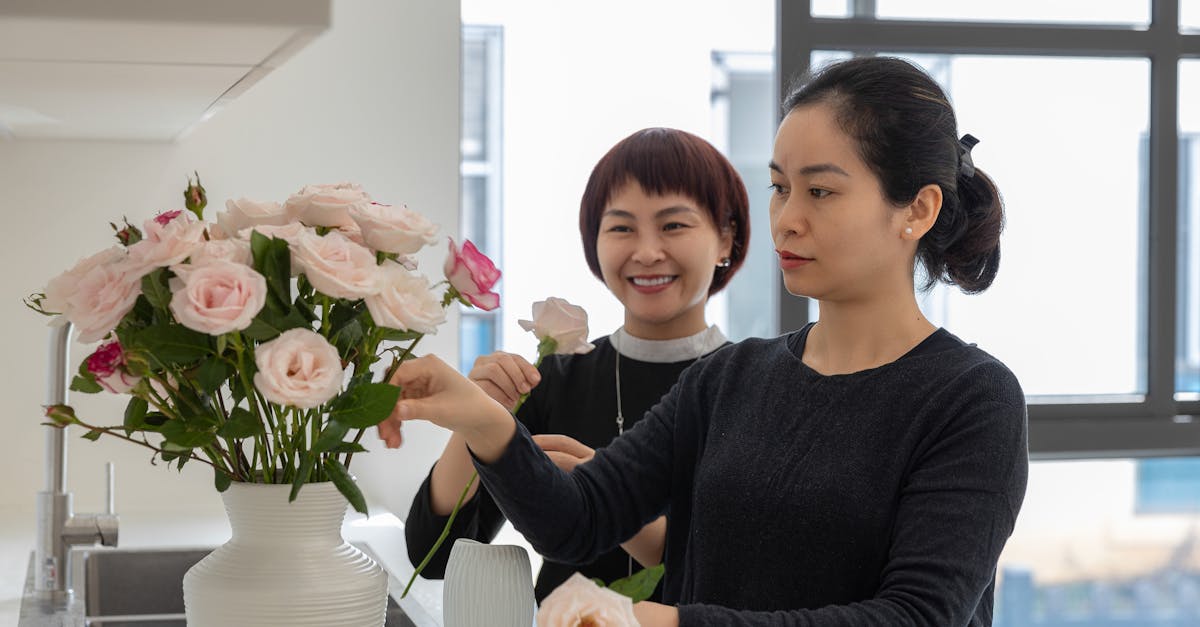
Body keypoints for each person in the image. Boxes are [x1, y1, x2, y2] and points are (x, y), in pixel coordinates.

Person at [381, 56, 1028, 626]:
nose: (787, 219)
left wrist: (664, 621)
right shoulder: (730, 378)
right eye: (780, 188)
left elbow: (915, 616)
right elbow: (579, 518)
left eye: (821, 191)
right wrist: (482, 418)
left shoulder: (972, 399)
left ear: (917, 209)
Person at [399, 127, 751, 602]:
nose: (647, 252)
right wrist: (476, 418)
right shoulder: (555, 379)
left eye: (673, 225)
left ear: (726, 238)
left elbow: (749, 576)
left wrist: (602, 496)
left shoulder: (757, 387)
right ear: (594, 242)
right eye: (621, 227)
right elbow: (432, 556)